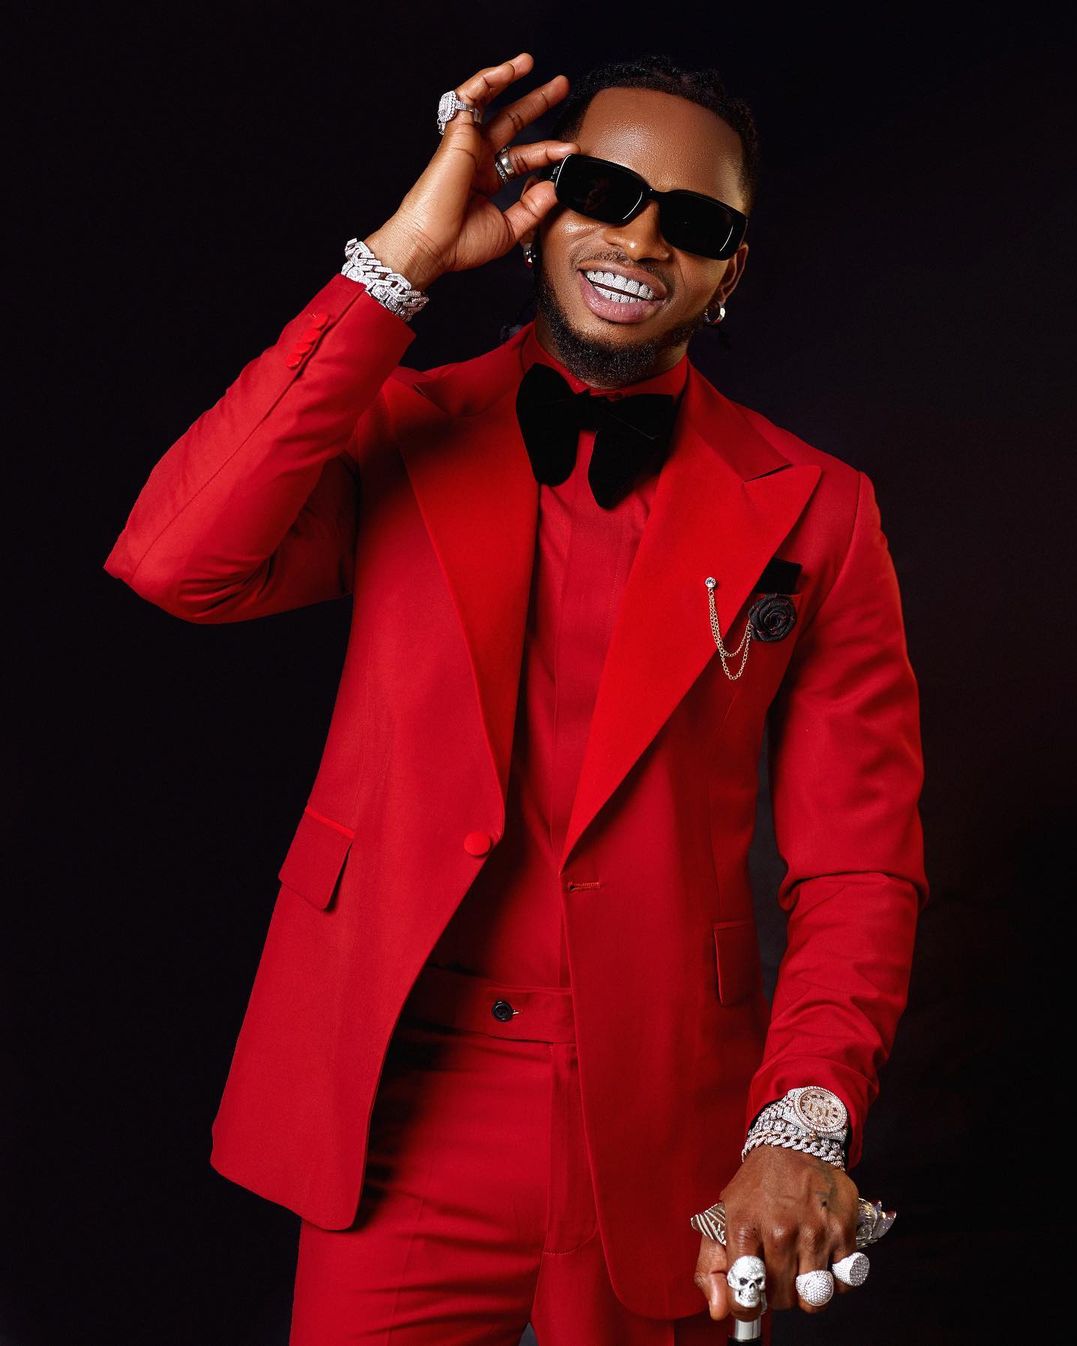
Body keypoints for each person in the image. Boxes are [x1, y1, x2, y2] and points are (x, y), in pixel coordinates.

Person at [103, 50, 929, 1346]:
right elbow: (174, 559)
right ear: (538, 206)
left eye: (694, 222)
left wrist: (802, 1120)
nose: (640, 241)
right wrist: (407, 254)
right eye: (605, 192)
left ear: (731, 273)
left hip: (668, 1119)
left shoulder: (820, 509)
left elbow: (859, 863)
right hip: (398, 1109)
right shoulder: (398, 428)